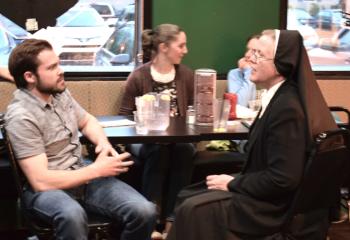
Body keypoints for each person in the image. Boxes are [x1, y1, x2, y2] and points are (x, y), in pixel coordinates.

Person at [166, 30, 338, 240]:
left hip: (273, 209)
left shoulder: (288, 109)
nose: (249, 58)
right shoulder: (278, 97)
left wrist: (232, 183)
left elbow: (283, 179)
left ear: (280, 64)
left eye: (258, 54)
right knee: (188, 194)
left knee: (193, 208)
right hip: (265, 195)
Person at [5, 39, 157, 240]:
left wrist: (102, 143)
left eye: (58, 63)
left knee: (145, 211)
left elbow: (87, 121)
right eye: (52, 67)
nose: (61, 71)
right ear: (30, 76)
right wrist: (96, 170)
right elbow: (40, 180)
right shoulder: (21, 116)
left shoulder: (59, 94)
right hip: (48, 189)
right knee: (72, 215)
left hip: (82, 175)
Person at [119, 23, 195, 239]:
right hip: (144, 139)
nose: (185, 50)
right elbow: (124, 117)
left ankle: (172, 221)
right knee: (158, 150)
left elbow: (192, 111)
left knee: (184, 150)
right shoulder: (139, 76)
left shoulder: (186, 76)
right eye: (181, 45)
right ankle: (150, 222)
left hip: (178, 139)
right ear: (163, 47)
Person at [227, 35, 260, 107]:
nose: (247, 54)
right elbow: (239, 107)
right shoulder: (235, 74)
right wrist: (248, 71)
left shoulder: (270, 75)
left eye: (254, 51)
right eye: (247, 50)